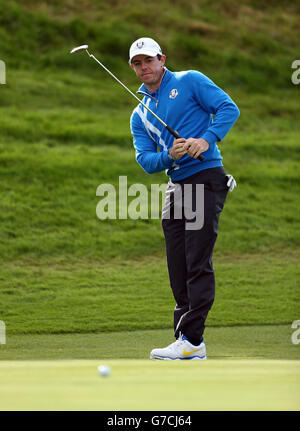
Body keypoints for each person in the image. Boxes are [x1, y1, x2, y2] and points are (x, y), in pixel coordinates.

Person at [129, 37, 239, 360]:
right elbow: (146, 161)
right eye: (137, 63)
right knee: (177, 267)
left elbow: (228, 108)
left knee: (196, 261)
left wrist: (206, 140)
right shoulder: (140, 115)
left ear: (162, 59)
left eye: (149, 60)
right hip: (175, 187)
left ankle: (192, 338)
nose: (144, 67)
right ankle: (188, 341)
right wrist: (169, 155)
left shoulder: (190, 81)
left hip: (205, 177)